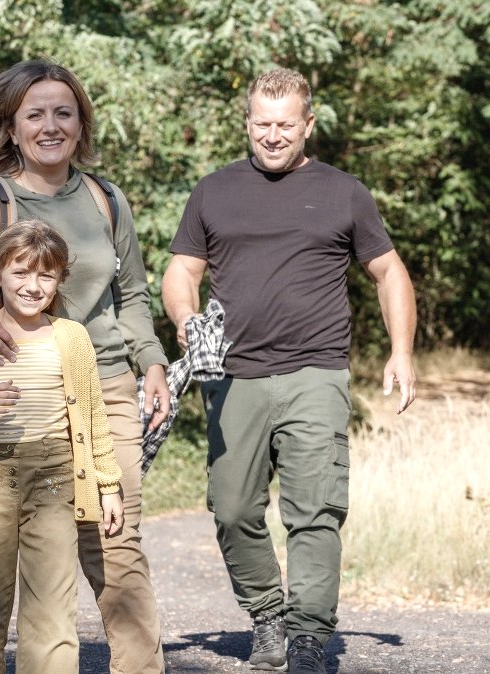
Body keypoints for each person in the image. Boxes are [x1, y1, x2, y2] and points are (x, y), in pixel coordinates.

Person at [160, 68, 418, 674]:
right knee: (231, 508)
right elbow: (182, 271)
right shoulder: (213, 191)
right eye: (261, 124)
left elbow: (389, 273)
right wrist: (184, 319)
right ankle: (266, 615)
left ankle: (306, 636)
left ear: (308, 124)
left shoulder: (344, 192)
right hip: (232, 373)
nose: (272, 136)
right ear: (246, 122)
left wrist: (401, 350)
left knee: (315, 510)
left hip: (315, 370)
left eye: (284, 125)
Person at [0, 58, 170, 674]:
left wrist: (153, 360)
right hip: (14, 389)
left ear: (81, 125)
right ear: (14, 127)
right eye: (36, 114)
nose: (51, 125)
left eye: (64, 113)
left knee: (114, 542)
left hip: (103, 389)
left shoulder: (106, 201)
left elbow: (133, 296)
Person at [0, 219, 123, 673]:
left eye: (46, 275)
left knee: (54, 614)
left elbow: (92, 415)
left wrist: (108, 483)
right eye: (20, 272)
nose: (33, 286)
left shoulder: (71, 338)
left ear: (59, 280)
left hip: (55, 482)